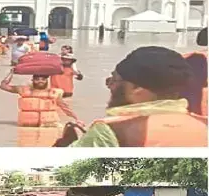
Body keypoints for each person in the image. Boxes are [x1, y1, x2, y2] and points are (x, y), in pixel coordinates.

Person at [65, 46, 208, 147]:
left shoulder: (113, 130)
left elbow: (64, 174)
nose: (110, 86)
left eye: (113, 80)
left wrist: (66, 142)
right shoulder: (204, 125)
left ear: (136, 88)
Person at [0, 69, 82, 128]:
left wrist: (77, 119)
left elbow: (65, 108)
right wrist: (11, 73)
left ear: (47, 80)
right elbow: (3, 86)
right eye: (37, 79)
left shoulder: (54, 93)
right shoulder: (24, 90)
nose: (40, 81)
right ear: (33, 80)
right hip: (27, 127)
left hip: (50, 126)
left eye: (43, 79)